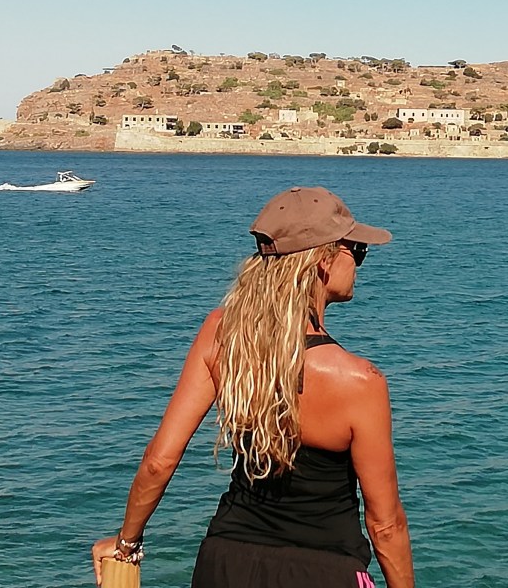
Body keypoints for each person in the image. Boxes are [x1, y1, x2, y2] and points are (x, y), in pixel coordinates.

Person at [92, 186, 414, 588]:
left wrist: (126, 544)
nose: (360, 264)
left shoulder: (221, 334)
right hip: (323, 572)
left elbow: (160, 461)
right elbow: (385, 525)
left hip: (225, 563)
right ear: (323, 259)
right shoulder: (360, 382)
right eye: (357, 251)